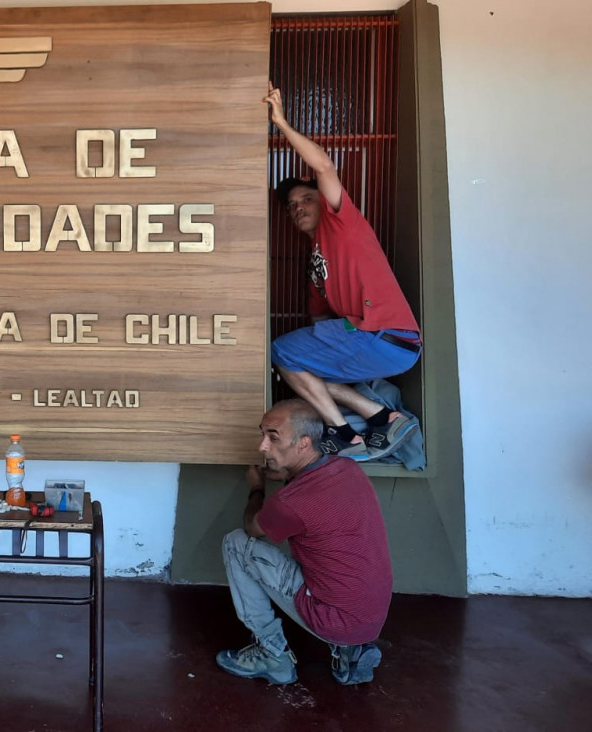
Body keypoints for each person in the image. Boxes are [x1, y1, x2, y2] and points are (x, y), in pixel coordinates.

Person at [264, 81, 421, 460]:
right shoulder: (317, 260)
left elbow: (323, 165)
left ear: (324, 201)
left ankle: (345, 430)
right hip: (378, 343)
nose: (297, 207)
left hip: (383, 333)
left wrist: (280, 123)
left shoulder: (341, 222)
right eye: (291, 206)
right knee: (299, 365)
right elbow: (318, 318)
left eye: (306, 199)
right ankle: (382, 418)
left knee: (283, 351)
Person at [216, 399, 392, 685]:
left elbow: (253, 527)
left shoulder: (290, 502)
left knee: (236, 543)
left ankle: (272, 656)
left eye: (273, 438)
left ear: (303, 444)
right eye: (262, 434)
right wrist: (287, 474)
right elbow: (310, 491)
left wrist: (256, 489)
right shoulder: (347, 469)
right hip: (369, 616)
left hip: (330, 617)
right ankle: (350, 650)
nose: (262, 446)